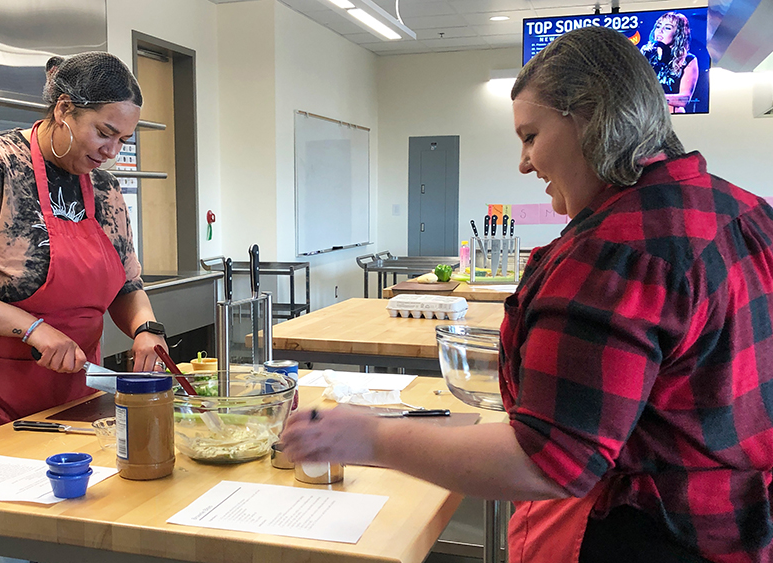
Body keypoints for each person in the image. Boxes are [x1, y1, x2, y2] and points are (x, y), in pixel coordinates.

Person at [281, 26, 773, 563]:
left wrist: (371, 438)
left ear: (591, 118)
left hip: (650, 534)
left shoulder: (613, 253)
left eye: (531, 136)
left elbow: (545, 461)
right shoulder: (748, 213)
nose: (524, 162)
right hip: (742, 527)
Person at [0, 52, 168, 450]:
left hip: (73, 389)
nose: (112, 151)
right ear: (64, 109)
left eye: (122, 140)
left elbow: (128, 287)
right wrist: (33, 328)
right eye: (104, 132)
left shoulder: (105, 189)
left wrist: (145, 329)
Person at [640, 11, 698, 113]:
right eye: (658, 26)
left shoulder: (688, 60)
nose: (660, 31)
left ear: (678, 33)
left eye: (667, 28)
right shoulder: (646, 54)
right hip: (645, 116)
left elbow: (684, 99)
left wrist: (654, 97)